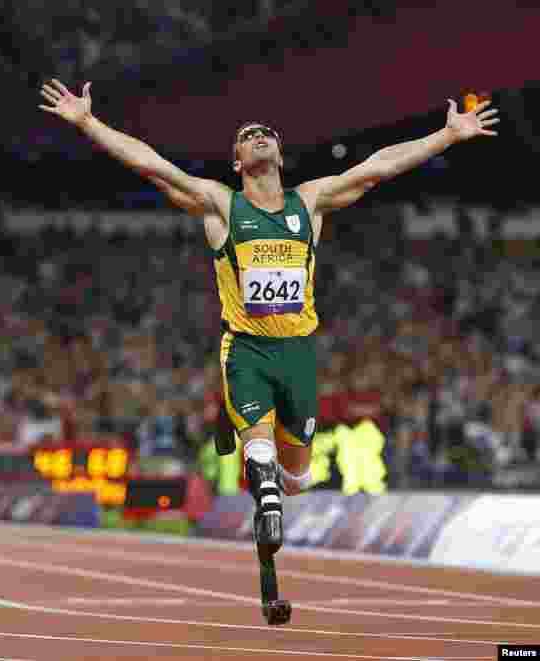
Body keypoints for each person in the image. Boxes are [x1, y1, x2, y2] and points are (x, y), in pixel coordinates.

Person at [38, 78, 499, 553]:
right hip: (246, 348)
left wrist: (445, 136)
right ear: (237, 162)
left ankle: (278, 483)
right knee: (258, 442)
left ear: (279, 154)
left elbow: (375, 168)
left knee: (298, 476)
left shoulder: (311, 202)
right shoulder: (220, 205)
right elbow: (152, 164)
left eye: (267, 134)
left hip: (297, 351)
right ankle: (267, 504)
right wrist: (88, 122)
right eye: (247, 135)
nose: (259, 136)